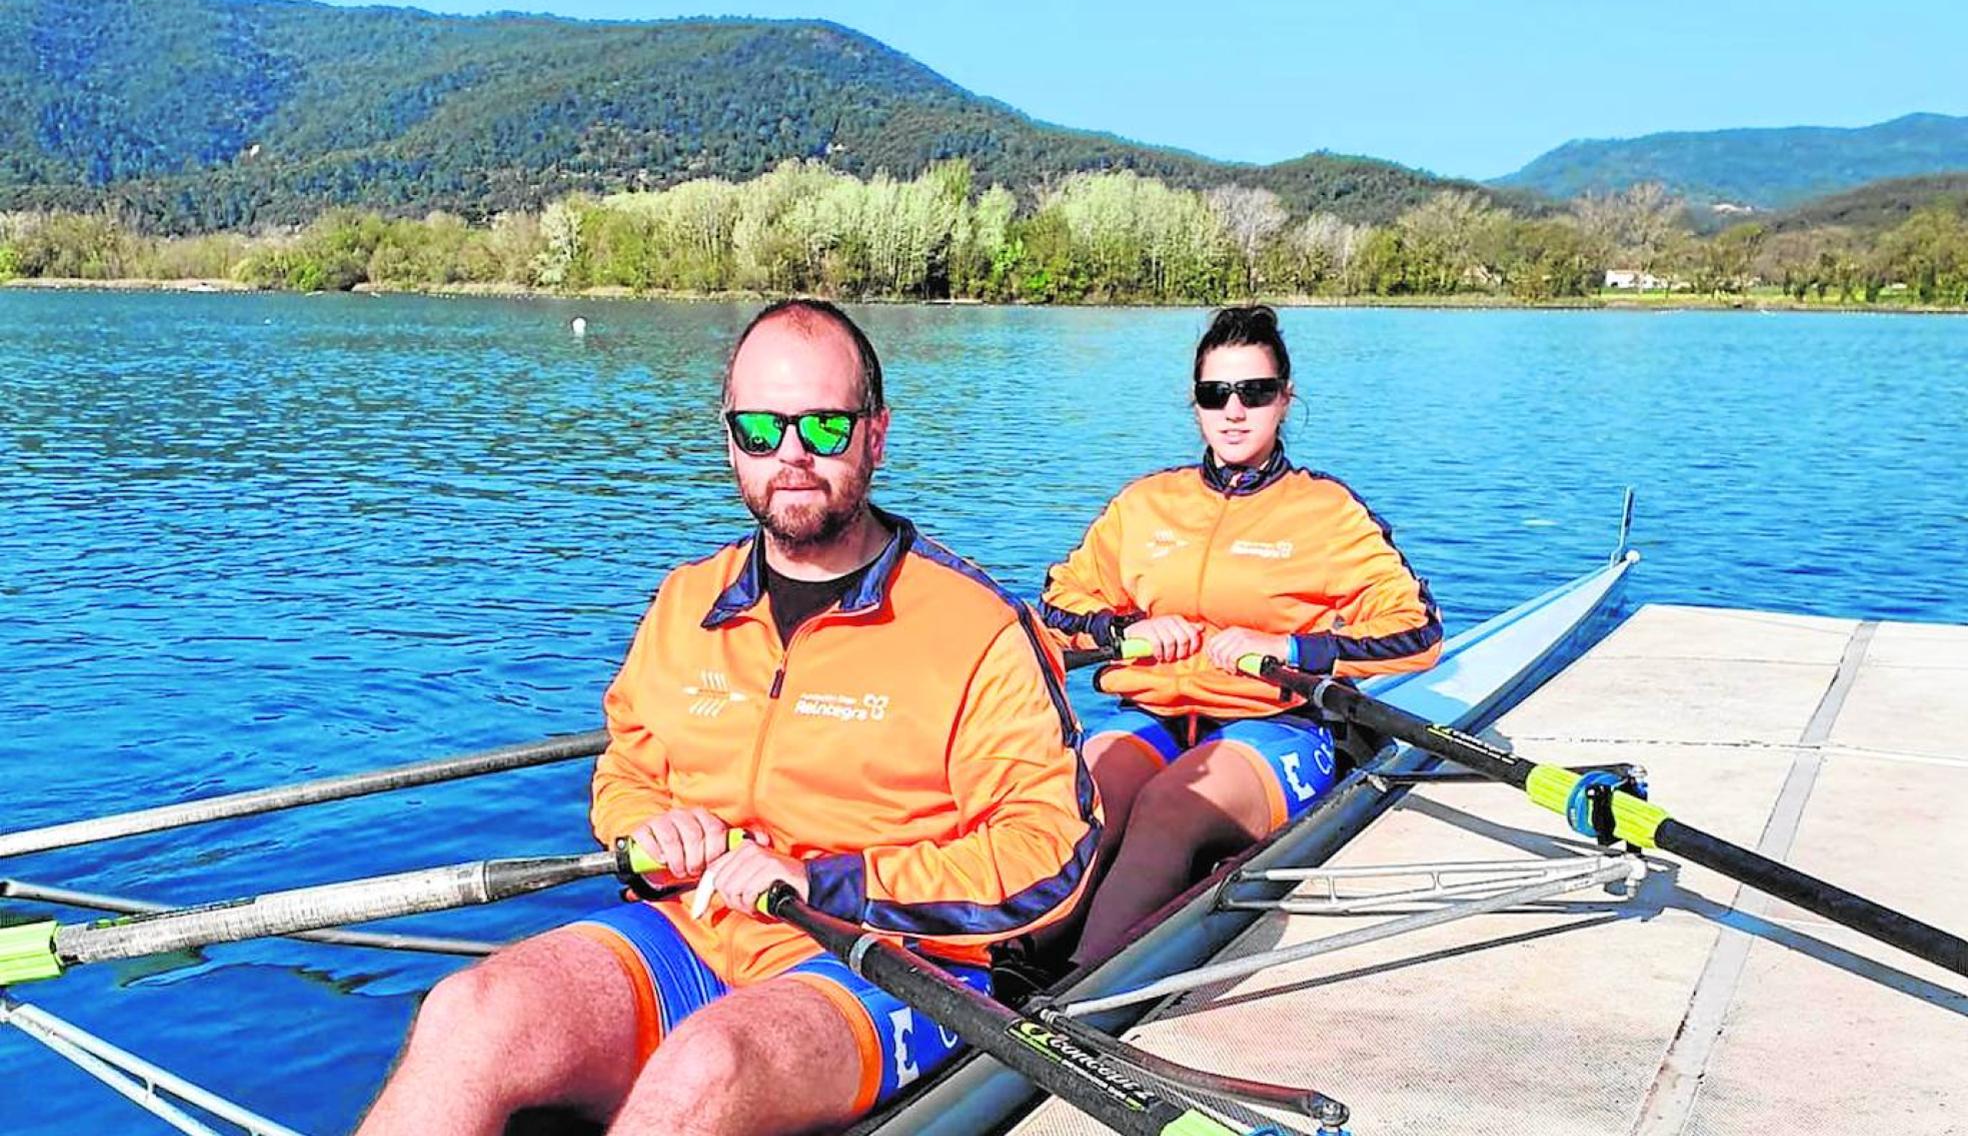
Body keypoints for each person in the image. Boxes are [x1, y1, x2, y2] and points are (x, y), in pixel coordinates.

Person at [358, 299, 1099, 1136]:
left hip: (887, 961)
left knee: (707, 1069)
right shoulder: (685, 603)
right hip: (697, 928)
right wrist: (650, 829)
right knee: (469, 1011)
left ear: (876, 436)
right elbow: (628, 773)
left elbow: (1051, 854)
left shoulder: (980, 627)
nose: (791, 455)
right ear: (730, 439)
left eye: (824, 428)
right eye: (760, 429)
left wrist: (829, 879)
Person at [1040, 304, 1440, 965]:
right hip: (1156, 714)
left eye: (1253, 393)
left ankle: (1075, 992)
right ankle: (1000, 966)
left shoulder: (1327, 512)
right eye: (1214, 393)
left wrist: (1291, 650)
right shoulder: (1145, 504)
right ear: (1194, 404)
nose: (1233, 411)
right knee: (1078, 794)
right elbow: (1058, 610)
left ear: (1285, 400)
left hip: (1275, 724)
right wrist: (1124, 627)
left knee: (1171, 806)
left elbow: (1417, 631)